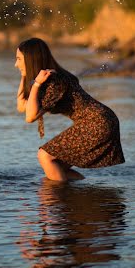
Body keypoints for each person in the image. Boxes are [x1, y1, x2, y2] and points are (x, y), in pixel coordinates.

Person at [15, 37, 125, 181]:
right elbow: (21, 106)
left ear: (30, 59)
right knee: (56, 167)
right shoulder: (46, 79)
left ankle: (58, 199)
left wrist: (35, 84)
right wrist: (24, 76)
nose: (15, 64)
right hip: (100, 120)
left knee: (45, 155)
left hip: (97, 122)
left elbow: (30, 117)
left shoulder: (54, 81)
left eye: (19, 59)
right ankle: (78, 195)